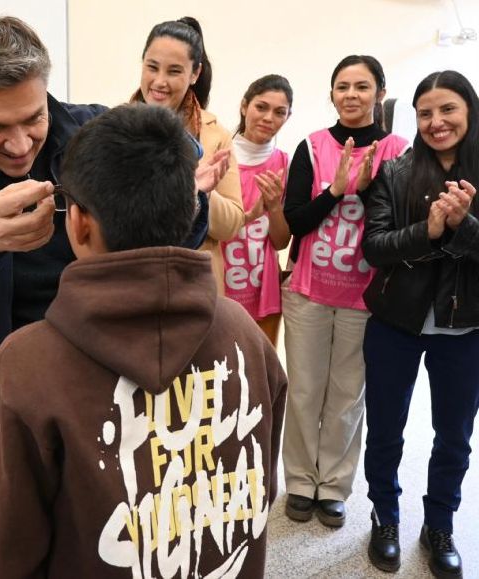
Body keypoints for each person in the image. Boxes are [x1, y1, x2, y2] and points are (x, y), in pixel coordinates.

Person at [0, 103, 287, 578]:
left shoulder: (24, 367)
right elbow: (261, 487)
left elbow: (0, 557)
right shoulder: (245, 334)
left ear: (78, 222)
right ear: (193, 206)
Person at [0, 11, 208, 432]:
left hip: (113, 386)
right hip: (7, 397)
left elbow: (172, 221)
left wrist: (191, 201)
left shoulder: (92, 131)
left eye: (34, 118)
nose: (20, 145)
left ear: (45, 90)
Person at [281, 55, 408, 527]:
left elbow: (401, 222)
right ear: (331, 94)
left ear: (379, 91)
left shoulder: (398, 149)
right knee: (306, 390)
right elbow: (296, 220)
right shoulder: (312, 147)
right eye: (342, 86)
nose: (351, 94)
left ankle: (333, 486)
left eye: (361, 86)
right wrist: (335, 190)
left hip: (367, 296)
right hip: (309, 291)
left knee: (347, 394)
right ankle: (298, 481)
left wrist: (370, 185)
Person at [361, 70, 479, 578]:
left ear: (469, 112)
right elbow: (373, 247)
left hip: (467, 330)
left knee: (453, 436)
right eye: (425, 113)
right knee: (386, 429)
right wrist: (427, 231)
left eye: (447, 109)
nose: (436, 122)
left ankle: (440, 524)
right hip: (395, 323)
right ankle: (385, 516)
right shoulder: (396, 171)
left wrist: (464, 226)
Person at [132, 17, 244, 293]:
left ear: (194, 74)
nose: (159, 81)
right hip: (133, 278)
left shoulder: (215, 134)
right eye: (152, 67)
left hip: (194, 286)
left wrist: (196, 184)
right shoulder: (117, 126)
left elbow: (231, 225)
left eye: (174, 71)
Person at [222, 75, 293, 346]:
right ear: (244, 106)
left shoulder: (284, 163)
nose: (268, 118)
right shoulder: (219, 155)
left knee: (260, 375)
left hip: (264, 290)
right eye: (261, 107)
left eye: (279, 112)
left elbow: (280, 241)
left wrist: (274, 207)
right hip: (222, 284)